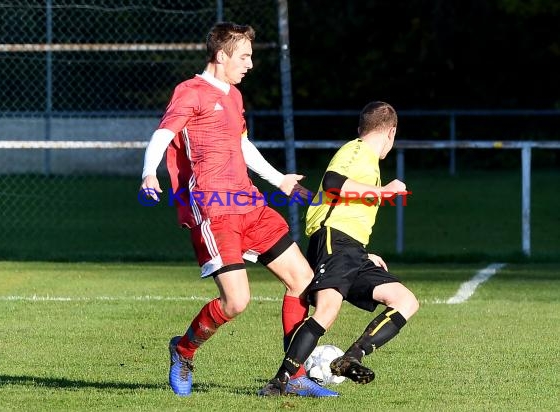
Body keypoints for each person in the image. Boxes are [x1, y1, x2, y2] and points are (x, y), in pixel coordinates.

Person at [139, 22, 337, 398]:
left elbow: (242, 145)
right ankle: (183, 351)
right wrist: (149, 171)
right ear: (221, 55)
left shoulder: (233, 95)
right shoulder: (190, 92)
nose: (249, 64)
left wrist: (278, 179)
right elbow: (163, 135)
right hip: (215, 210)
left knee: (302, 280)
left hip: (250, 204)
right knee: (236, 301)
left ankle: (291, 377)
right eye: (244, 56)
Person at [258, 101, 419, 396]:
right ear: (391, 132)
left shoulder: (367, 159)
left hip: (351, 247)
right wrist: (382, 193)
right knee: (327, 309)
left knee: (405, 301)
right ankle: (281, 380)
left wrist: (363, 251)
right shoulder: (357, 150)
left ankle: (352, 357)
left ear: (361, 127)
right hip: (336, 240)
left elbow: (339, 204)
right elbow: (333, 183)